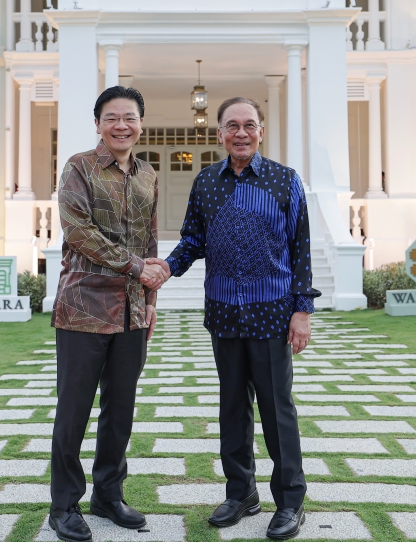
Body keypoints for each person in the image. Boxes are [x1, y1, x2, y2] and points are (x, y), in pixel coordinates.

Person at [148, 96, 319, 540]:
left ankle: (290, 502)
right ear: (219, 133)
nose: (240, 132)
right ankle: (240, 492)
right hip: (223, 312)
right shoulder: (206, 182)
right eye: (232, 126)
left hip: (272, 312)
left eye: (249, 124)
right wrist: (167, 267)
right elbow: (192, 240)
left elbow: (301, 249)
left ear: (261, 130)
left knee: (277, 410)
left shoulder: (285, 181)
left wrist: (302, 310)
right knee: (232, 408)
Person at [48, 86, 166, 542]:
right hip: (83, 308)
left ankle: (108, 495)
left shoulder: (148, 175)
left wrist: (151, 299)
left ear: (140, 123)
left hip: (132, 312)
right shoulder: (78, 167)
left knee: (120, 409)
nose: (122, 125)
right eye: (112, 117)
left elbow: (150, 242)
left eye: (130, 117)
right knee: (73, 410)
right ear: (98, 123)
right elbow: (78, 233)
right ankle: (63, 505)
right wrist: (137, 267)